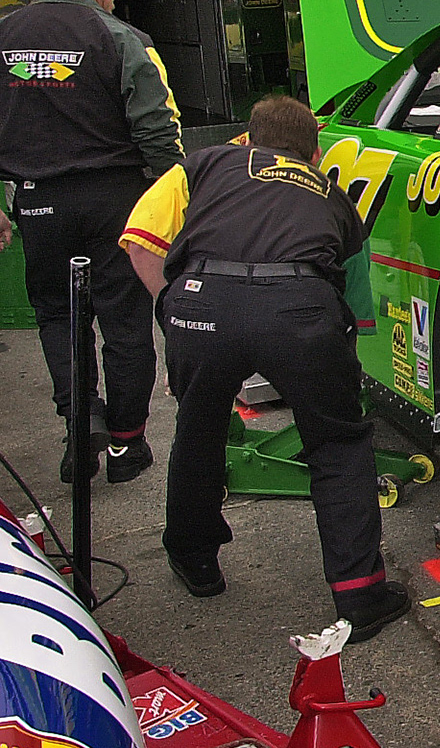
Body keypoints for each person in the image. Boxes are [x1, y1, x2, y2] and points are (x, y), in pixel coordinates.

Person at [117, 97, 409, 634]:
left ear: (247, 139)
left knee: (199, 430)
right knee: (338, 443)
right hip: (299, 306)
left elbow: (138, 240)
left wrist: (173, 310)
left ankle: (196, 562)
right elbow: (342, 272)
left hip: (202, 299)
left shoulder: (203, 164)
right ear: (314, 152)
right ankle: (360, 596)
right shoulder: (332, 194)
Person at [0, 0, 181, 484]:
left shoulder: (4, 35)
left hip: (38, 201)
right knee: (126, 321)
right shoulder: (124, 38)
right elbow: (157, 129)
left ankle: (81, 421)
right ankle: (127, 443)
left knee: (57, 315)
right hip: (116, 200)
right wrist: (177, 196)